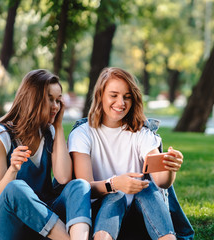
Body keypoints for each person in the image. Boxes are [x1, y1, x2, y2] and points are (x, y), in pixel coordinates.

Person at [68, 67, 188, 240]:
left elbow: (162, 181)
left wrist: (170, 167)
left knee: (150, 189)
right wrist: (114, 184)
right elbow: (85, 188)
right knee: (115, 197)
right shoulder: (82, 134)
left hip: (142, 216)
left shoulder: (141, 133)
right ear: (100, 95)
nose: (121, 103)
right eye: (114, 95)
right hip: (103, 214)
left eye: (127, 97)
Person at [0, 69, 92, 240]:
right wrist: (13, 169)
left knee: (79, 185)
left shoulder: (49, 132)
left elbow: (64, 177)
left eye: (58, 100)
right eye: (50, 99)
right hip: (6, 225)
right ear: (32, 98)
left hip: (43, 221)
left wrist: (58, 126)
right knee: (15, 188)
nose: (56, 106)